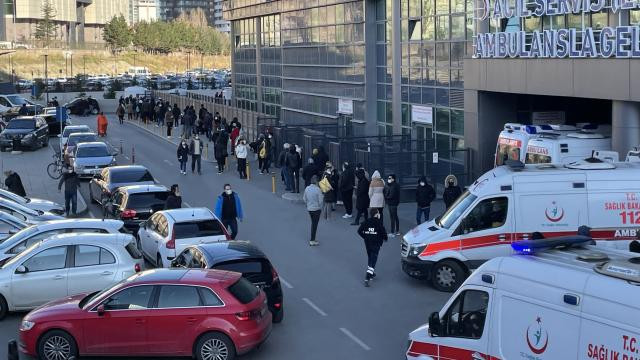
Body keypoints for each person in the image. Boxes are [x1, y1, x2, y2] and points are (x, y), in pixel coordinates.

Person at [358, 208, 387, 287]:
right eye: (378, 213)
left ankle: (372, 273)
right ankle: (367, 277)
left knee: (370, 257)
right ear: (376, 214)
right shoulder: (379, 222)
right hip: (376, 244)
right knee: (373, 260)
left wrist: (365, 237)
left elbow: (359, 231)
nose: (379, 214)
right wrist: (385, 238)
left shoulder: (366, 222)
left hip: (367, 243)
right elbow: (383, 232)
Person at [303, 175, 323, 246]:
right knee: (314, 225)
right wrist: (320, 208)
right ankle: (312, 240)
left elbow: (304, 199)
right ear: (317, 181)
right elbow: (320, 201)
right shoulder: (318, 190)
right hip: (316, 209)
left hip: (309, 209)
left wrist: (308, 204)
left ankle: (313, 239)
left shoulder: (307, 188)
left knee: (313, 223)